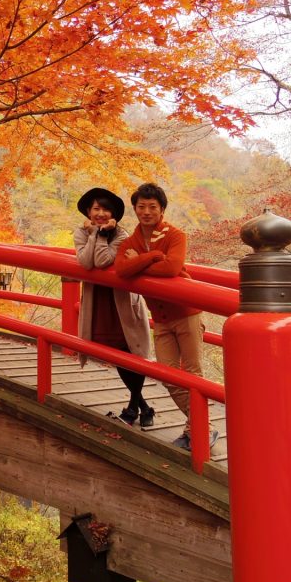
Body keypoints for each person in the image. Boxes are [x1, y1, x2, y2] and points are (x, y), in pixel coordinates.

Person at [113, 182, 216, 451]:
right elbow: (122, 270)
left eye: (152, 207)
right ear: (135, 208)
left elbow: (172, 268)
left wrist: (143, 259)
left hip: (186, 312)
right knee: (169, 375)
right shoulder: (130, 240)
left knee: (193, 374)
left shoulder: (175, 235)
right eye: (141, 206)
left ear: (162, 210)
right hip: (159, 317)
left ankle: (196, 430)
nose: (146, 212)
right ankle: (203, 426)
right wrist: (154, 257)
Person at [73, 187, 154, 428]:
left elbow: (103, 260)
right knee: (118, 355)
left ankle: (133, 407)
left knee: (131, 352)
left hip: (122, 303)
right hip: (100, 303)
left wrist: (97, 235)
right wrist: (96, 234)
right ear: (88, 211)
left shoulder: (123, 235)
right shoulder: (80, 232)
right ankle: (143, 407)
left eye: (105, 209)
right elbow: (87, 262)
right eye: (96, 209)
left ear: (114, 213)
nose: (100, 213)